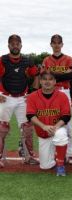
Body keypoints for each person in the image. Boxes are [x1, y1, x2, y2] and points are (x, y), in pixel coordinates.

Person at [0, 34, 39, 167]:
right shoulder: (2, 60)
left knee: (27, 128)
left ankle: (29, 156)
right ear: (8, 45)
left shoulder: (28, 60)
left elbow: (37, 75)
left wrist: (32, 93)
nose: (15, 45)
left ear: (21, 45)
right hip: (5, 97)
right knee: (1, 128)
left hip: (23, 97)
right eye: (12, 43)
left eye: (17, 43)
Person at [26, 71, 71, 176]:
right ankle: (58, 155)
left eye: (50, 79)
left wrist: (55, 127)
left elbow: (66, 116)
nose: (47, 81)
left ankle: (60, 164)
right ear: (40, 81)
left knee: (61, 134)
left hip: (57, 128)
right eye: (44, 79)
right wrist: (44, 126)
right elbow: (30, 115)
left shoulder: (62, 96)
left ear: (55, 82)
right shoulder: (32, 96)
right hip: (43, 133)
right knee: (45, 166)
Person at [42, 34, 72, 164]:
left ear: (62, 44)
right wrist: (63, 75)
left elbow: (71, 75)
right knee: (50, 120)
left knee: (68, 123)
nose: (56, 45)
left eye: (59, 43)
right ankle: (54, 152)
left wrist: (52, 76)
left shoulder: (68, 59)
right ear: (51, 44)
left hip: (64, 92)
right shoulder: (46, 60)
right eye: (54, 43)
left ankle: (70, 153)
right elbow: (44, 77)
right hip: (50, 92)